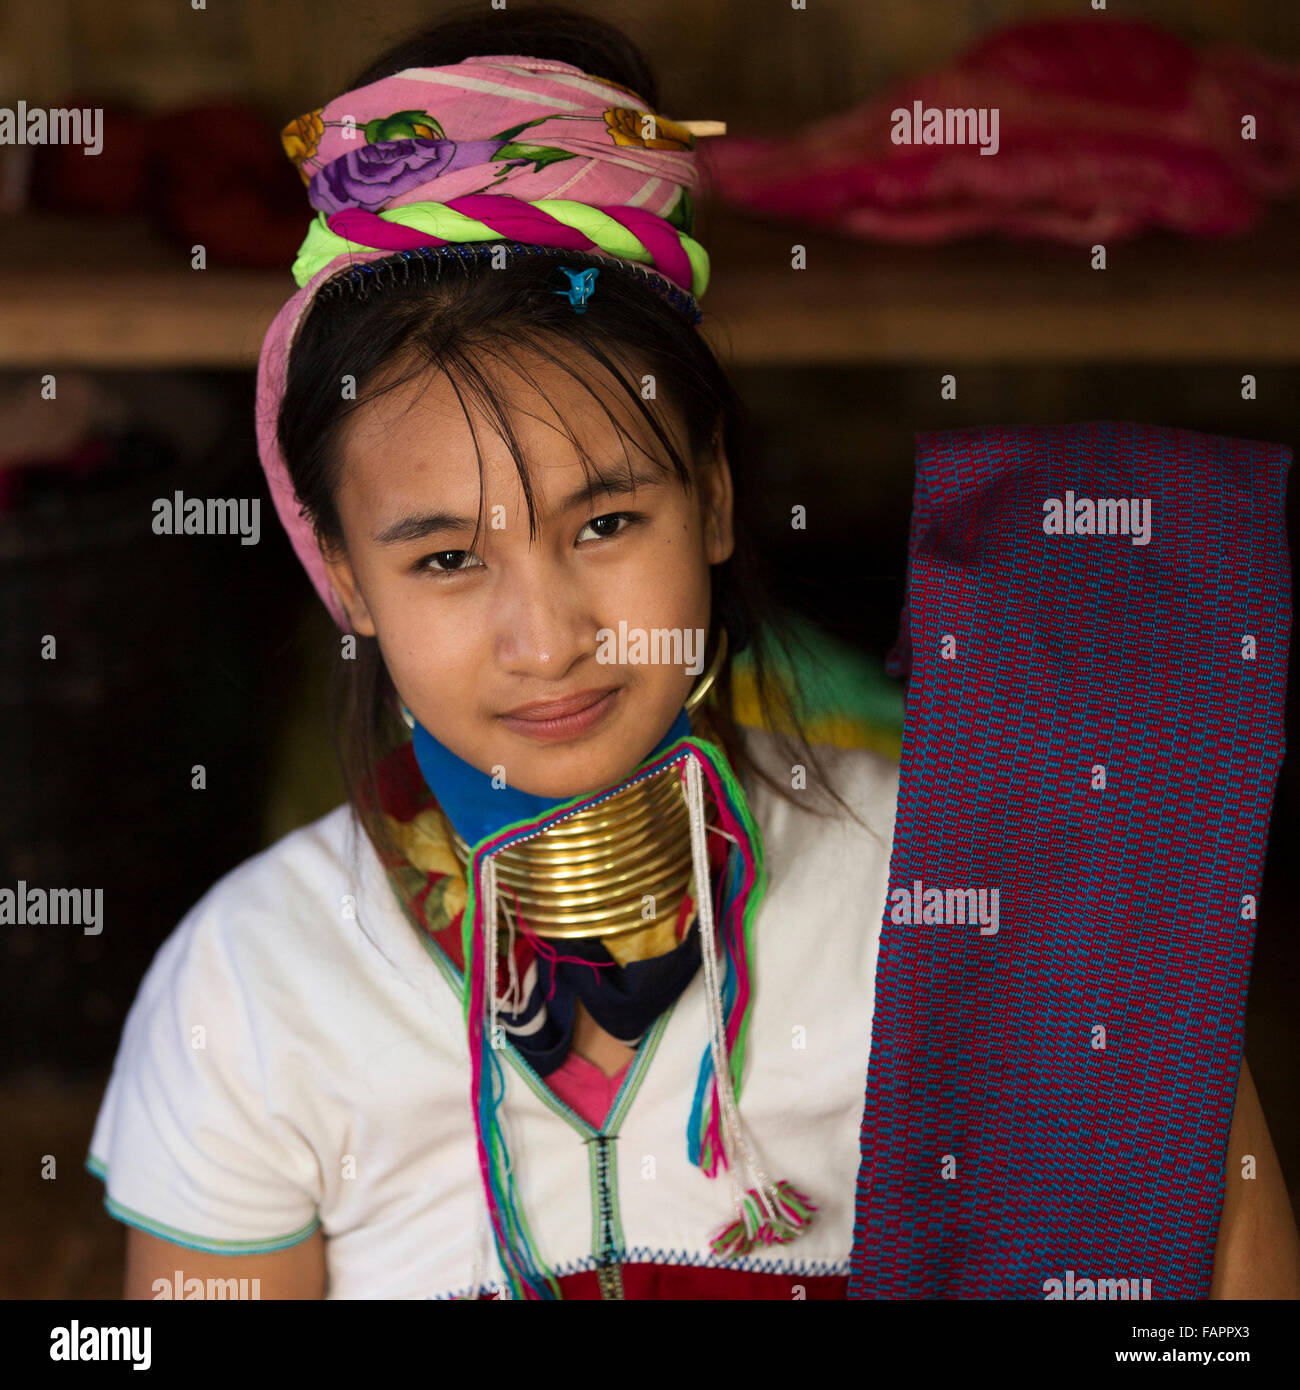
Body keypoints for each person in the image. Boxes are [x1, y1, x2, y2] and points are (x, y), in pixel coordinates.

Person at [86, 5, 902, 1300]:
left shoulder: (931, 894)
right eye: (447, 557)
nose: (550, 639)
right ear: (345, 575)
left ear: (718, 498)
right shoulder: (252, 987)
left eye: (611, 520)